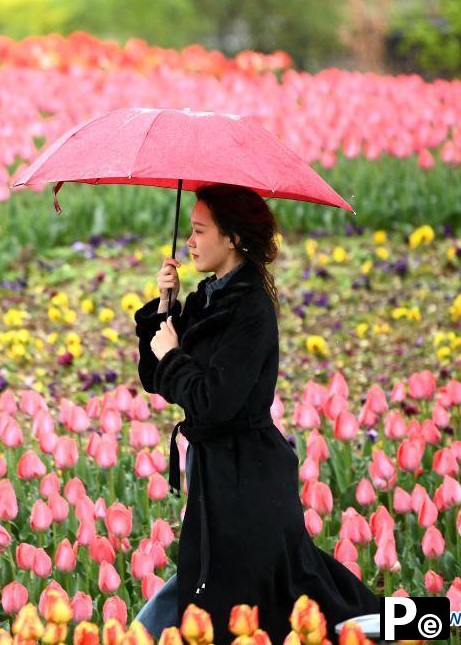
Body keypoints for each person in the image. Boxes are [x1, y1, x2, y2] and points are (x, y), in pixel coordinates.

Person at [131, 184, 379, 645]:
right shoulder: (208, 297)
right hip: (215, 472)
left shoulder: (250, 310)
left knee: (278, 596)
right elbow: (156, 378)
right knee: (217, 589)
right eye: (190, 230)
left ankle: (409, 625)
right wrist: (164, 309)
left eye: (200, 231)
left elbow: (212, 402)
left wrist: (173, 357)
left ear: (233, 239)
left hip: (249, 480)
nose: (189, 242)